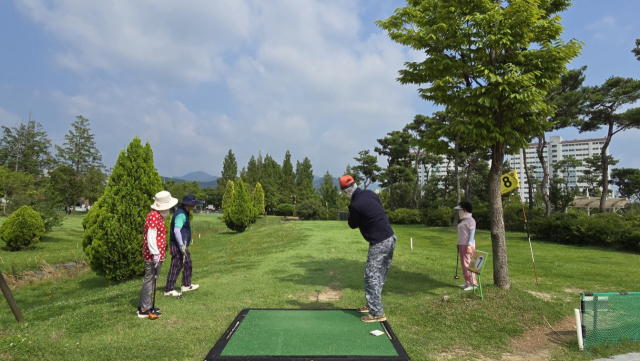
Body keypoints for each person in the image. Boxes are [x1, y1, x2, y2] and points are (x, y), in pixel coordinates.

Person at [340, 175, 397, 323]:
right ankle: (371, 305)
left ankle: (378, 313)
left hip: (379, 242)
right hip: (390, 238)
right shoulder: (370, 193)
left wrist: (354, 213)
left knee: (371, 276)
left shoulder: (355, 205)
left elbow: (352, 224)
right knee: (379, 275)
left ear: (345, 192)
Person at [138, 190, 178, 318]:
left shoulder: (157, 215)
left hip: (156, 255)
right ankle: (145, 309)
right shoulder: (154, 216)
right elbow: (151, 236)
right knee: (150, 280)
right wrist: (155, 254)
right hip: (152, 256)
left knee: (151, 280)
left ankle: (146, 305)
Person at [164, 194, 203, 297]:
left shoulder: (184, 212)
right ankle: (169, 289)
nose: (194, 207)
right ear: (188, 204)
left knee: (188, 263)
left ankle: (186, 285)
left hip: (182, 245)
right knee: (175, 266)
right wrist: (181, 245)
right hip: (178, 245)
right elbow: (177, 231)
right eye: (193, 205)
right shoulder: (181, 214)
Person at [455, 201, 477, 291]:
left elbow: (472, 234)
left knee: (469, 264)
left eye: (460, 209)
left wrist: (469, 245)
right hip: (462, 245)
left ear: (464, 210)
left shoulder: (471, 221)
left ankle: (473, 284)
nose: (459, 212)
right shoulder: (464, 220)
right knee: (464, 265)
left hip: (467, 246)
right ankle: (468, 282)